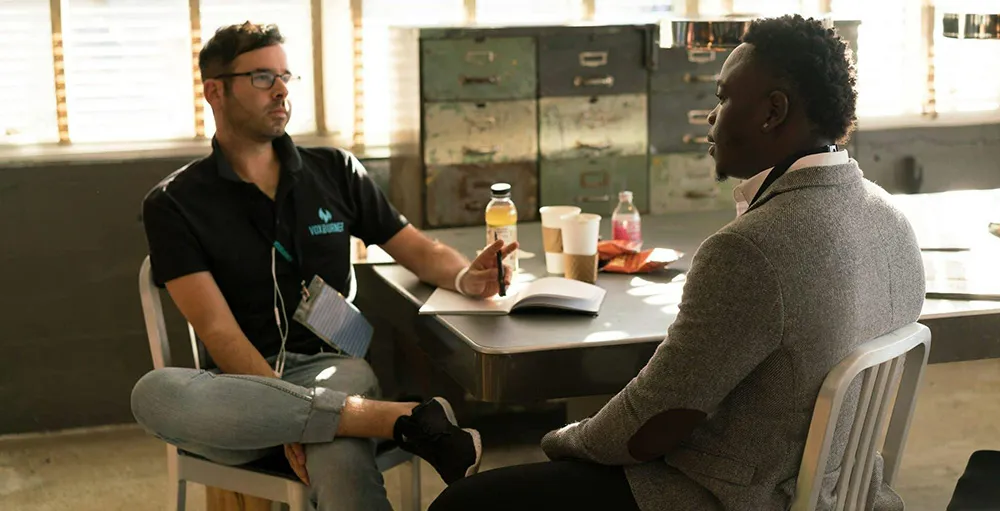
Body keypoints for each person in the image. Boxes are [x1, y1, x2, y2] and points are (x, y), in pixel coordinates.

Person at [428, 14, 924, 511]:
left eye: (724, 97)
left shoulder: (750, 249)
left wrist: (565, 441)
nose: (711, 116)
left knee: (466, 503)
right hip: (845, 495)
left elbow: (651, 425)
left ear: (773, 112)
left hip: (731, 498)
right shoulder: (891, 219)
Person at [130, 21, 516, 511]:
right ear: (215, 91)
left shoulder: (334, 170)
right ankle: (403, 420)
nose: (282, 90)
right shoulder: (174, 203)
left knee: (334, 449)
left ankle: (352, 419)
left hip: (334, 368)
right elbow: (217, 332)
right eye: (263, 78)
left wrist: (467, 276)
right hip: (238, 392)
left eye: (286, 77)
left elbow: (416, 249)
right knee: (154, 394)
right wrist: (282, 411)